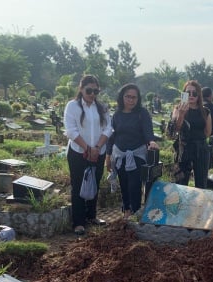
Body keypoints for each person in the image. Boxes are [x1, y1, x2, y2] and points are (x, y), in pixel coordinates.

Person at [64, 75, 113, 234]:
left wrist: (97, 147)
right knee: (78, 185)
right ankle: (79, 222)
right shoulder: (73, 106)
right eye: (89, 90)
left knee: (94, 183)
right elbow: (71, 130)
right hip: (79, 152)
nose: (92, 94)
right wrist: (87, 148)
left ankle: (91, 216)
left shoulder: (102, 107)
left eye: (95, 91)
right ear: (81, 89)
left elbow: (108, 128)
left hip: (98, 151)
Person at [105, 84, 159, 219]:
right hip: (120, 155)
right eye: (128, 96)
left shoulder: (142, 113)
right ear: (122, 97)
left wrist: (151, 141)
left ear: (138, 99)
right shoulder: (117, 115)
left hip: (137, 154)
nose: (131, 100)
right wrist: (108, 155)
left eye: (134, 97)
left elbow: (148, 131)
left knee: (134, 184)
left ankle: (135, 211)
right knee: (124, 183)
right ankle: (126, 210)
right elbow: (111, 136)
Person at [171, 80, 212, 188]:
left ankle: (199, 204)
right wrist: (181, 114)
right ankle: (180, 204)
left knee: (201, 182)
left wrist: (198, 140)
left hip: (201, 148)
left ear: (199, 95)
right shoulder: (178, 109)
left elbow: (208, 132)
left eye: (195, 93)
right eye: (188, 93)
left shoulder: (205, 111)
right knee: (181, 182)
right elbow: (175, 129)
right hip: (184, 148)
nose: (191, 95)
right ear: (183, 94)